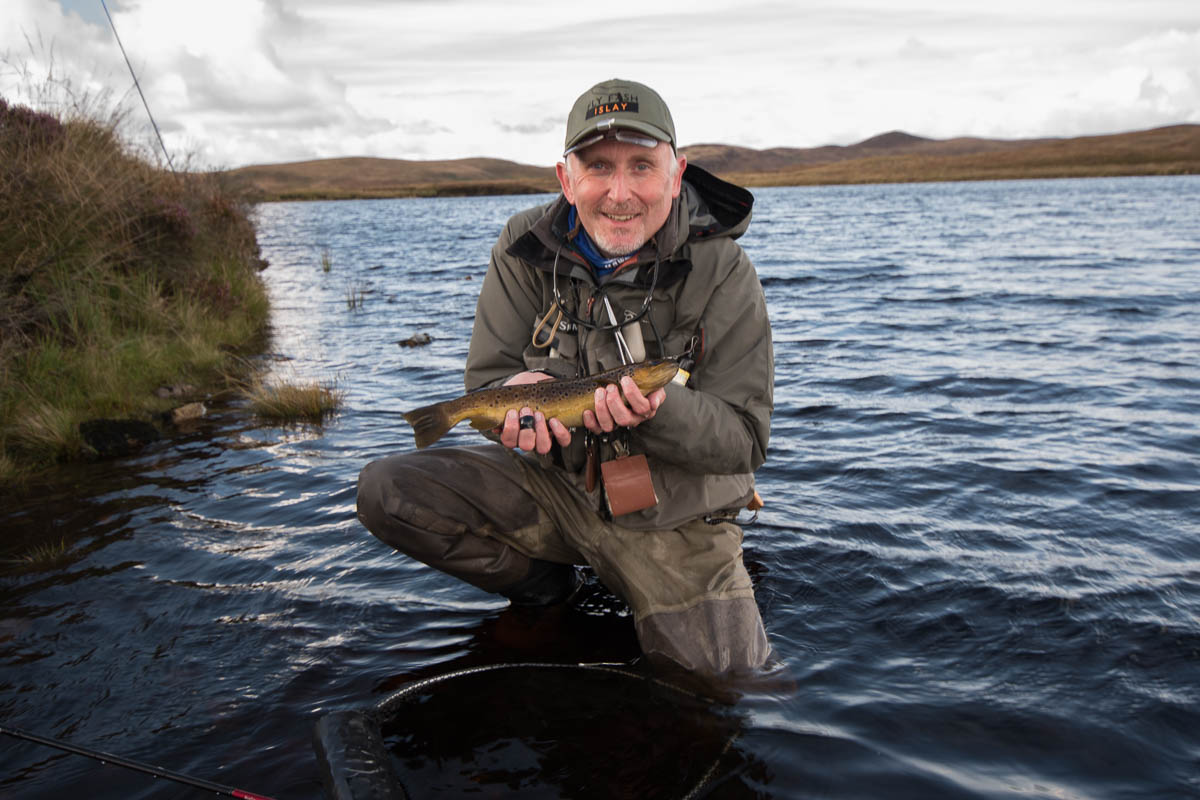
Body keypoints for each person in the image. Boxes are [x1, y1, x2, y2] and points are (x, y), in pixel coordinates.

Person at [356, 78, 774, 678]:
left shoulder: (726, 271)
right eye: (597, 166)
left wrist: (659, 411)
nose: (620, 192)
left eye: (641, 167)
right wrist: (506, 414)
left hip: (676, 521)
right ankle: (543, 585)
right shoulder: (522, 248)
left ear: (677, 175)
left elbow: (745, 442)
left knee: (729, 682)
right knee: (387, 490)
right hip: (557, 492)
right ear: (566, 178)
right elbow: (493, 376)